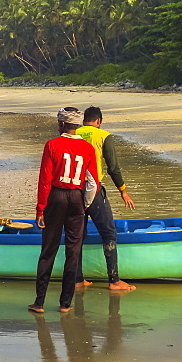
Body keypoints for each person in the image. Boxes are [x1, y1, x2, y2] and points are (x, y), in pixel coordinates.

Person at [28, 107, 99, 314]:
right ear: (77, 125)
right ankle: (65, 304)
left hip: (56, 197)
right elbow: (92, 182)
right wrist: (84, 204)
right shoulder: (87, 148)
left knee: (48, 250)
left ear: (61, 124)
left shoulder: (52, 145)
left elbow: (45, 180)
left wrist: (40, 209)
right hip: (77, 197)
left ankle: (39, 302)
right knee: (73, 251)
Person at [75, 106, 137, 291]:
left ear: (84, 120)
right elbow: (113, 167)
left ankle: (77, 279)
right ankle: (114, 281)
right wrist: (123, 190)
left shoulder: (72, 134)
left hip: (72, 191)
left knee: (77, 235)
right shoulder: (103, 136)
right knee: (109, 232)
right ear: (99, 121)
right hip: (92, 190)